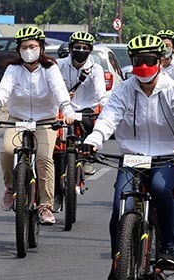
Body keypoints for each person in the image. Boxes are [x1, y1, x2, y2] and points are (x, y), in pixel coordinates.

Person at [79, 34, 174, 280]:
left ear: (160, 60)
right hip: (133, 157)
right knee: (118, 207)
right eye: (138, 60)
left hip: (166, 156)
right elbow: (108, 118)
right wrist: (93, 140)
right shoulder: (124, 89)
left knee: (161, 190)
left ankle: (167, 249)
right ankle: (119, 261)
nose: (143, 65)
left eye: (148, 59)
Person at [0, 26, 76, 225]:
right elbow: (2, 91)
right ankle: (9, 188)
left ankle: (46, 206)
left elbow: (60, 92)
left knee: (43, 159)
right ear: (19, 49)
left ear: (41, 47)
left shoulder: (50, 69)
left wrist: (67, 111)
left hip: (45, 122)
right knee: (7, 151)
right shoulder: (13, 69)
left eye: (32, 46)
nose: (28, 50)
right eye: (24, 47)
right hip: (18, 120)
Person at [57, 30, 105, 175]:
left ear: (90, 50)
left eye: (85, 48)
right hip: (65, 108)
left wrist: (105, 106)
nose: (81, 51)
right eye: (77, 47)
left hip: (86, 107)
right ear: (70, 49)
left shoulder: (96, 69)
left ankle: (88, 159)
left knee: (89, 126)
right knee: (57, 133)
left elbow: (100, 93)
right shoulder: (58, 65)